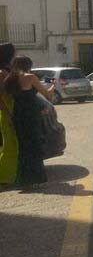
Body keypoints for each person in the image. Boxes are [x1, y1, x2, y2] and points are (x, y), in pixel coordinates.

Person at [5, 55, 54, 186]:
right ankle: (37, 178)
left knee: (23, 147)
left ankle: (23, 180)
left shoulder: (10, 79)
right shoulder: (30, 77)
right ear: (28, 65)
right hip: (31, 115)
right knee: (35, 145)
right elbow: (46, 94)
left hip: (18, 114)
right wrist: (52, 86)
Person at [0, 43, 18, 185]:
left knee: (13, 146)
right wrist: (7, 114)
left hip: (12, 111)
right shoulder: (2, 73)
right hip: (7, 113)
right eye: (14, 52)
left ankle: (10, 176)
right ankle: (4, 177)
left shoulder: (10, 70)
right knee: (8, 147)